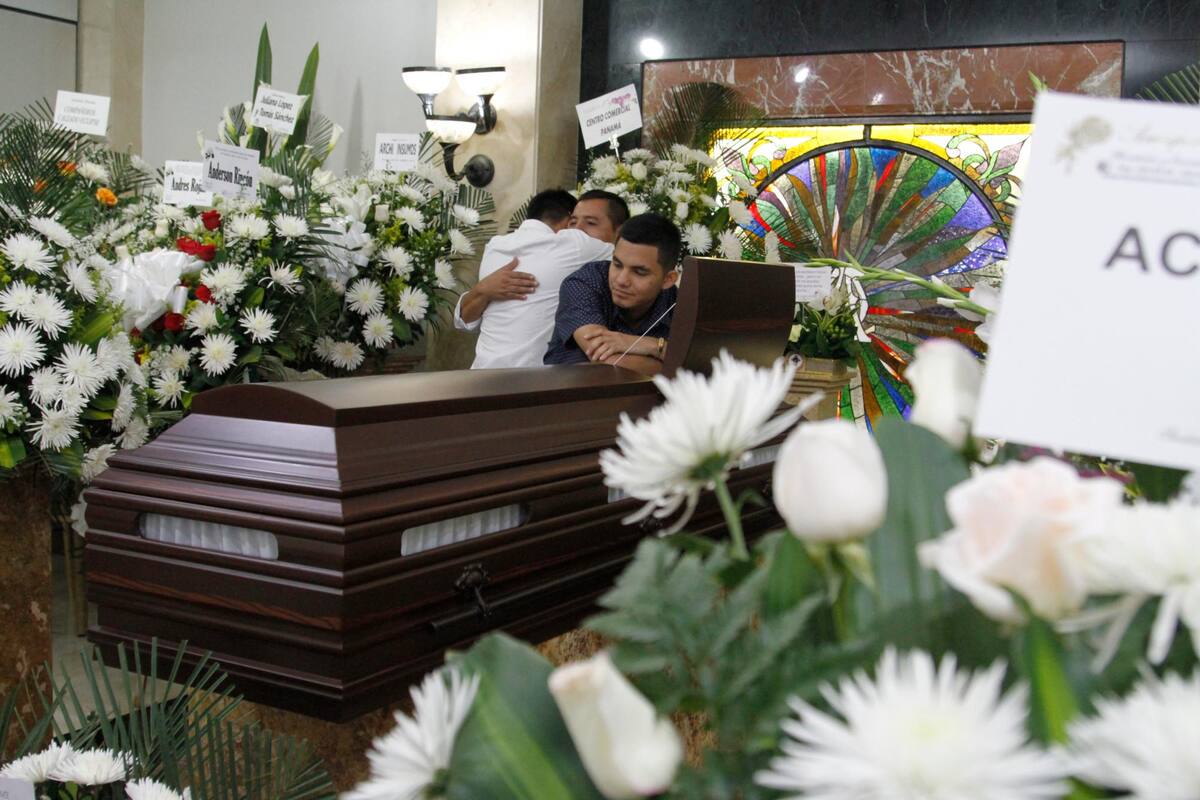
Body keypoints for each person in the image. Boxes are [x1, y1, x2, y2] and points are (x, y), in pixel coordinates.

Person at [452, 189, 628, 369]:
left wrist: (481, 290)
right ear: (565, 221)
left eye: (590, 223)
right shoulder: (574, 245)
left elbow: (465, 322)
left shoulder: (495, 246)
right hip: (535, 381)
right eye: (573, 222)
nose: (577, 230)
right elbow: (632, 252)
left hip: (482, 373)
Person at [543, 213, 681, 376]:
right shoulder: (583, 283)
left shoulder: (678, 302)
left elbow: (706, 361)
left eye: (639, 272)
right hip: (566, 396)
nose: (621, 280)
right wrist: (665, 352)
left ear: (668, 279)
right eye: (617, 265)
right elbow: (612, 364)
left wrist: (641, 344)